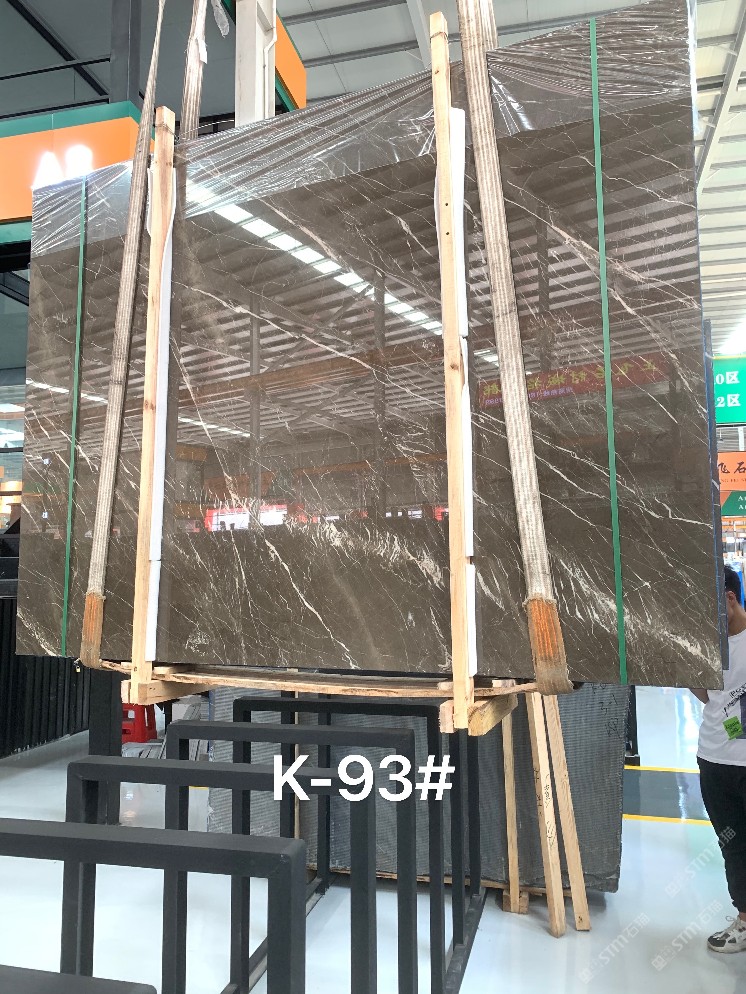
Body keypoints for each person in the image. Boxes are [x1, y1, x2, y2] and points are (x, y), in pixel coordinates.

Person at [693, 565, 746, 952]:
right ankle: (743, 919)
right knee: (733, 844)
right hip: (714, 759)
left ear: (729, 598)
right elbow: (710, 697)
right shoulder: (706, 642)